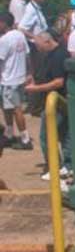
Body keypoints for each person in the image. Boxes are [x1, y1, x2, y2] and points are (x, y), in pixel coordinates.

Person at [24, 31, 70, 180]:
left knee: (46, 136)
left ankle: (55, 167)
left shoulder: (58, 56)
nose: (37, 48)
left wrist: (35, 89)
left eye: (38, 45)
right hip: (57, 101)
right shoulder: (53, 54)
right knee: (64, 135)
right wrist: (33, 79)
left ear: (47, 42)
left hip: (57, 102)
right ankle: (67, 166)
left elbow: (58, 82)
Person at [0, 12, 32, 150]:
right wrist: (30, 73)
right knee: (7, 108)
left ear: (3, 23)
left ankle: (25, 139)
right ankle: (9, 134)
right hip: (19, 77)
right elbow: (27, 55)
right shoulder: (20, 35)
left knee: (16, 109)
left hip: (9, 79)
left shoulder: (4, 40)